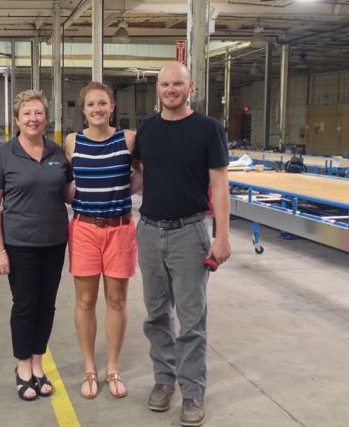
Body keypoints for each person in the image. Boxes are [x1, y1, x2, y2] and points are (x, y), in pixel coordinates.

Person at [133, 62, 231, 426]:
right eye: (164, 84)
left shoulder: (208, 129)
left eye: (177, 83)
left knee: (191, 319)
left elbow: (220, 184)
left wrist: (222, 234)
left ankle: (192, 392)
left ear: (190, 85)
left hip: (189, 233)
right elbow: (141, 175)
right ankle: (164, 380)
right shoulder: (147, 129)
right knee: (156, 314)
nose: (170, 89)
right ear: (156, 88)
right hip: (148, 230)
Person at [0, 90, 74, 401]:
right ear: (18, 119)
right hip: (19, 243)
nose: (33, 119)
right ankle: (23, 367)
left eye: (39, 113)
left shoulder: (57, 152)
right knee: (25, 305)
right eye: (27, 114)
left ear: (46, 119)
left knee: (46, 304)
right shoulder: (4, 154)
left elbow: (68, 194)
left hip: (54, 242)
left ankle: (38, 362)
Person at [64, 82, 136, 400]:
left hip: (120, 229)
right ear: (83, 109)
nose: (97, 109)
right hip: (84, 230)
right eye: (91, 104)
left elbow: (143, 174)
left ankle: (113, 369)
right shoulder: (72, 142)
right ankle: (90, 369)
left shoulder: (129, 139)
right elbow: (66, 181)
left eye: (102, 104)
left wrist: (117, 194)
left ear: (112, 107)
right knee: (85, 301)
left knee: (117, 301)